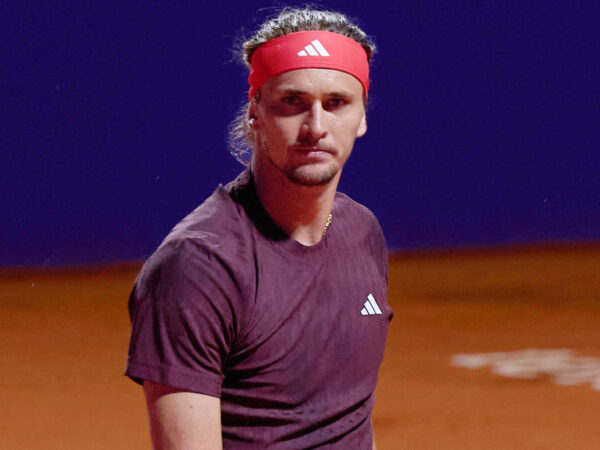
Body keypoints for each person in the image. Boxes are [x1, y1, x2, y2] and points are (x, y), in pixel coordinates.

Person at [125, 7, 392, 449]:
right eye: (292, 102)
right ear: (256, 111)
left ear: (362, 116)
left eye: (336, 103)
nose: (316, 127)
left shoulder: (361, 231)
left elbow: (352, 422)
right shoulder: (199, 267)